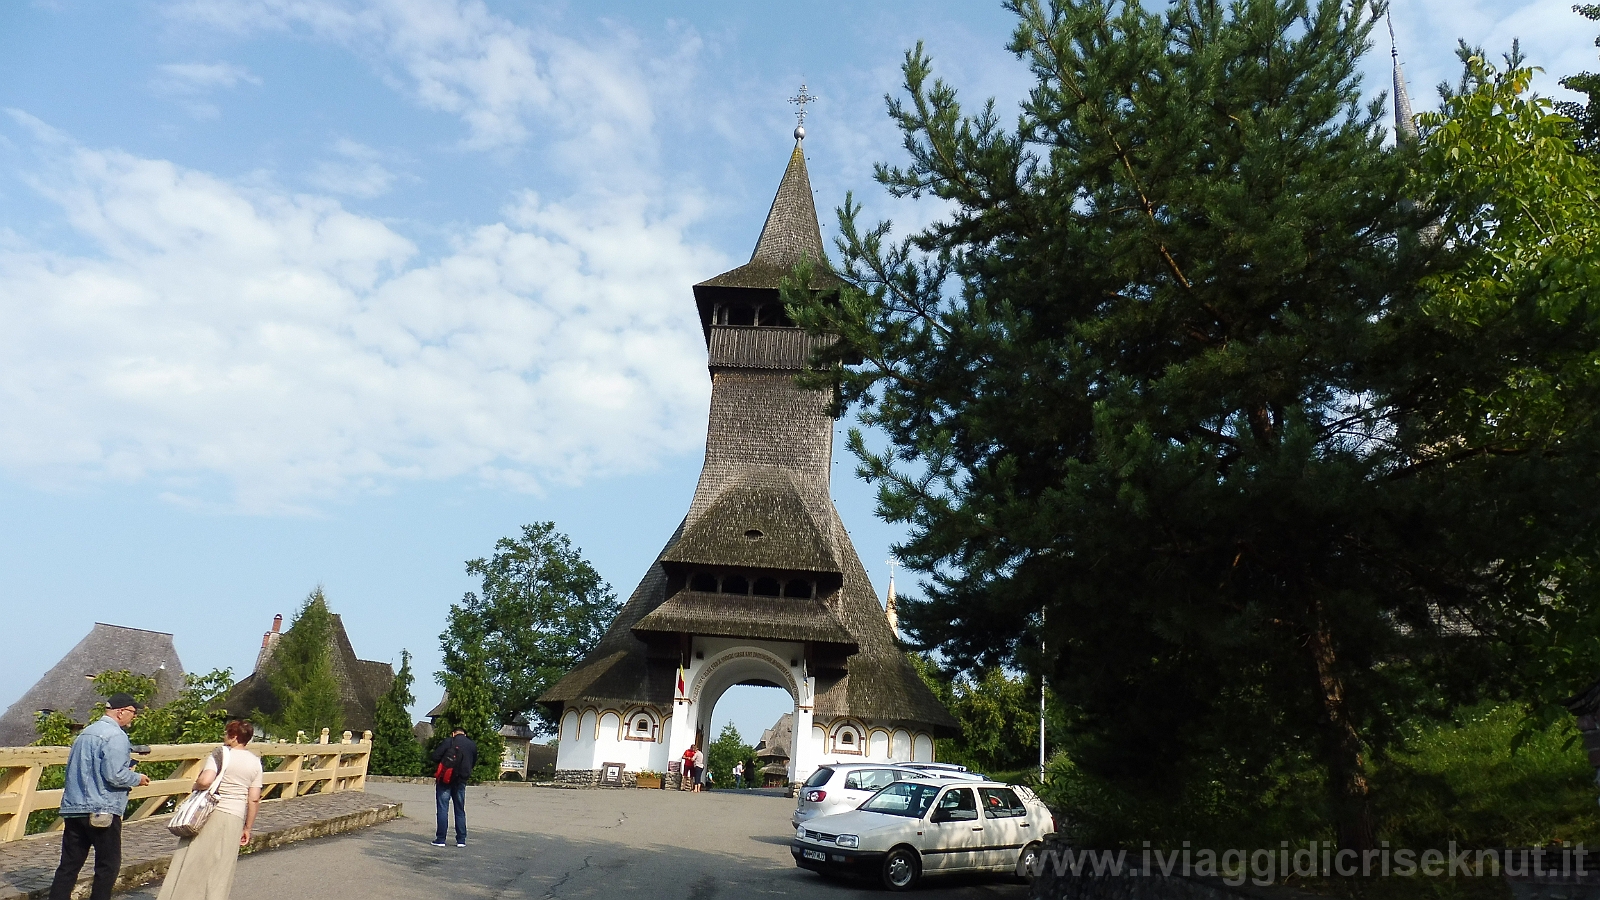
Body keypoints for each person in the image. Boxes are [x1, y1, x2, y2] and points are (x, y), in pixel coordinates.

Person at [49, 693, 151, 900]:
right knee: (108, 864)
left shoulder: (85, 734)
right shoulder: (116, 736)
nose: (134, 717)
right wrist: (136, 778)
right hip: (102, 809)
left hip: (74, 808)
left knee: (69, 865)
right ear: (121, 711)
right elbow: (115, 776)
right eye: (133, 712)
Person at [156, 720, 264, 900]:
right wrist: (248, 828)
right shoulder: (255, 762)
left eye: (226, 733)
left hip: (212, 812)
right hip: (235, 817)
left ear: (234, 737)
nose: (224, 736)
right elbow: (253, 798)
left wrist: (195, 785)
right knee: (221, 866)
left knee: (194, 859)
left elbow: (206, 780)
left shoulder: (221, 754)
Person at [430, 726, 477, 847]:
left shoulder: (449, 741)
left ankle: (441, 839)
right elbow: (473, 762)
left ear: (453, 734)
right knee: (460, 810)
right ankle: (461, 840)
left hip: (445, 780)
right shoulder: (472, 745)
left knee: (442, 809)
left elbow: (435, 756)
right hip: (461, 781)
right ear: (464, 734)